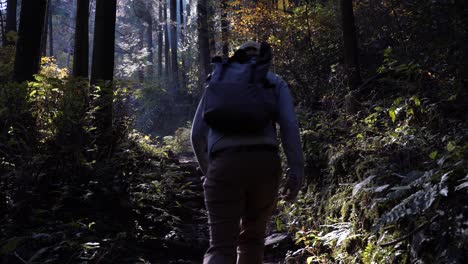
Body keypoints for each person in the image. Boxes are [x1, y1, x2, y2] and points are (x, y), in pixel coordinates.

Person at [191, 41, 304, 264]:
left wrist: (209, 171)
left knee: (222, 248)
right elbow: (289, 126)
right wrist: (296, 173)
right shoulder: (273, 81)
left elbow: (196, 135)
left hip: (224, 163)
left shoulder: (217, 79)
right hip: (264, 164)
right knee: (253, 240)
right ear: (261, 59)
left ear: (236, 57)